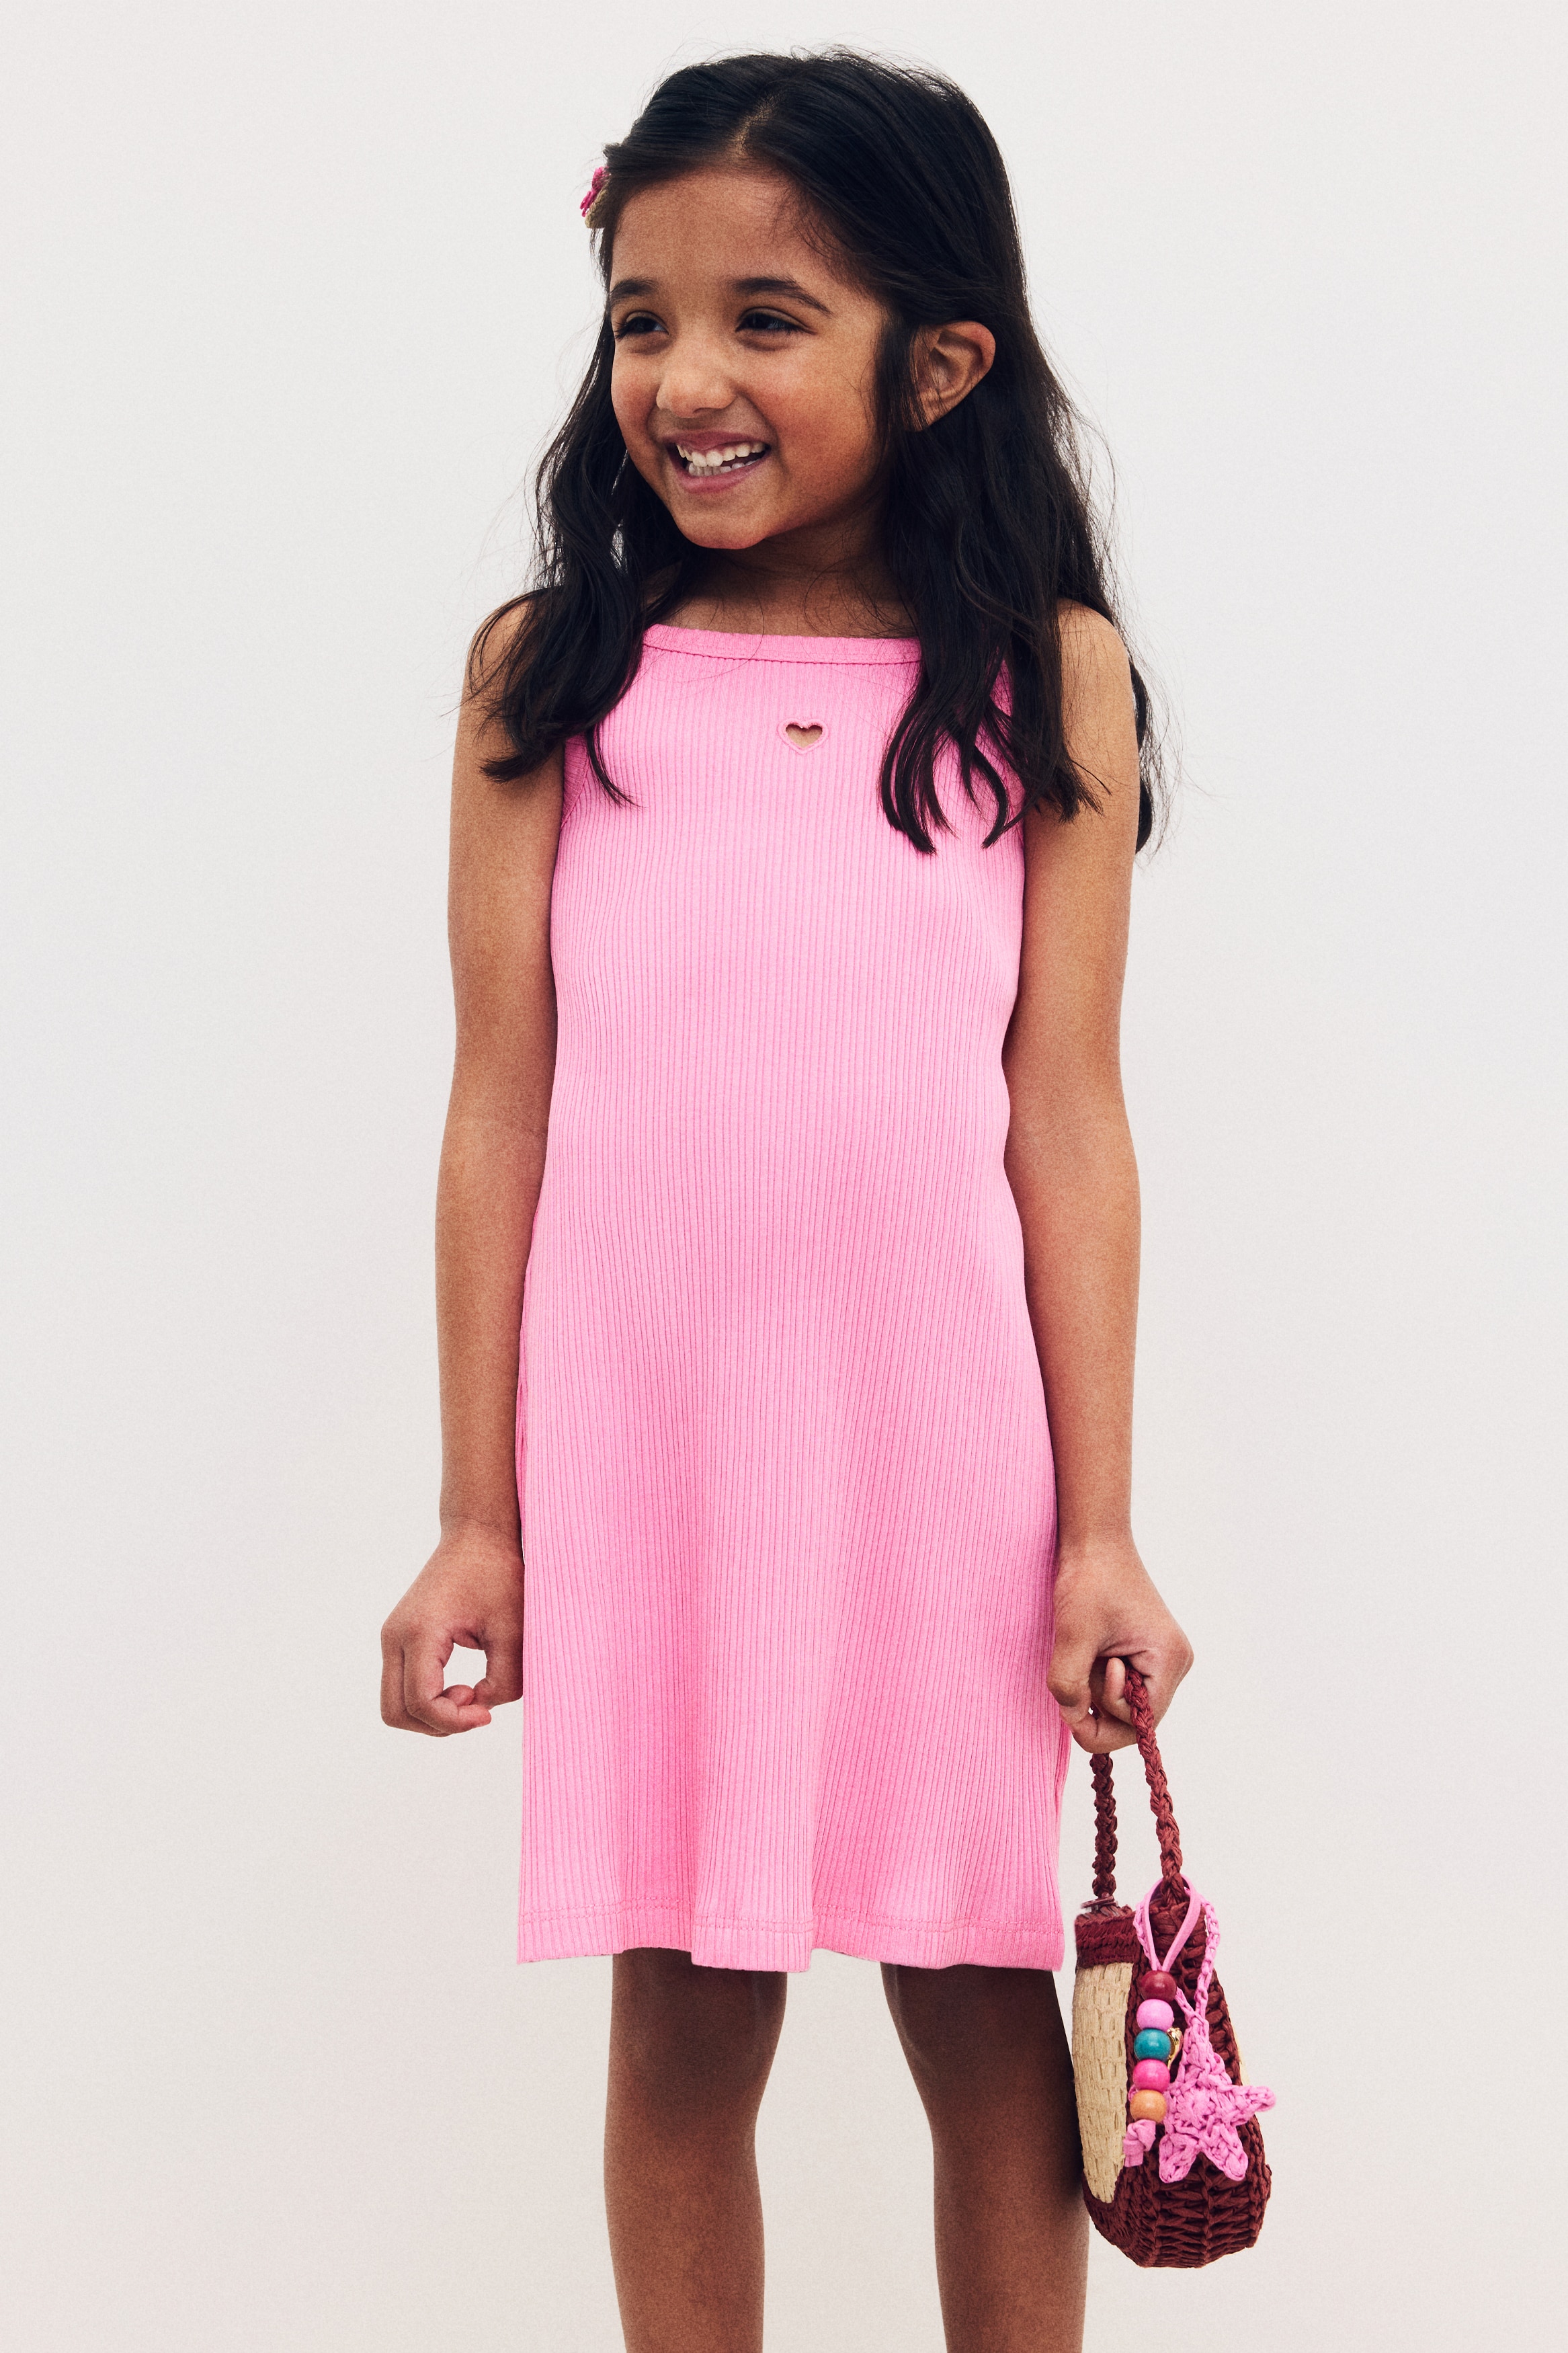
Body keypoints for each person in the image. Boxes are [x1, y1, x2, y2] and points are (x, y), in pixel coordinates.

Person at [380, 48, 1192, 2353]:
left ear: (939, 364)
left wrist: (1103, 1525)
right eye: (642, 317)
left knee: (989, 2017)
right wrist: (475, 1516)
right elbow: (499, 1108)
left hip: (947, 1458)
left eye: (765, 318)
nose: (683, 378)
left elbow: (1067, 1116)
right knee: (681, 2023)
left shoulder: (1043, 683)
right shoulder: (556, 677)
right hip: (653, 1457)